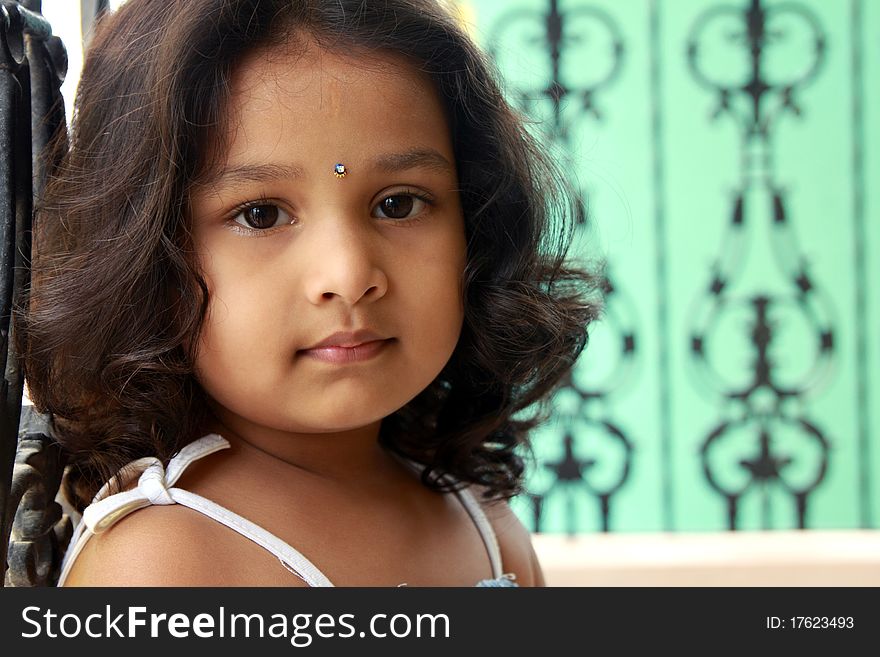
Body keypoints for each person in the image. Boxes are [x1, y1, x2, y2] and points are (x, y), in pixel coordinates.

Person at [17, 0, 602, 587]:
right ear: (146, 254)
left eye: (398, 203)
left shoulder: (489, 530)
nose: (348, 276)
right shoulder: (165, 562)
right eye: (262, 215)